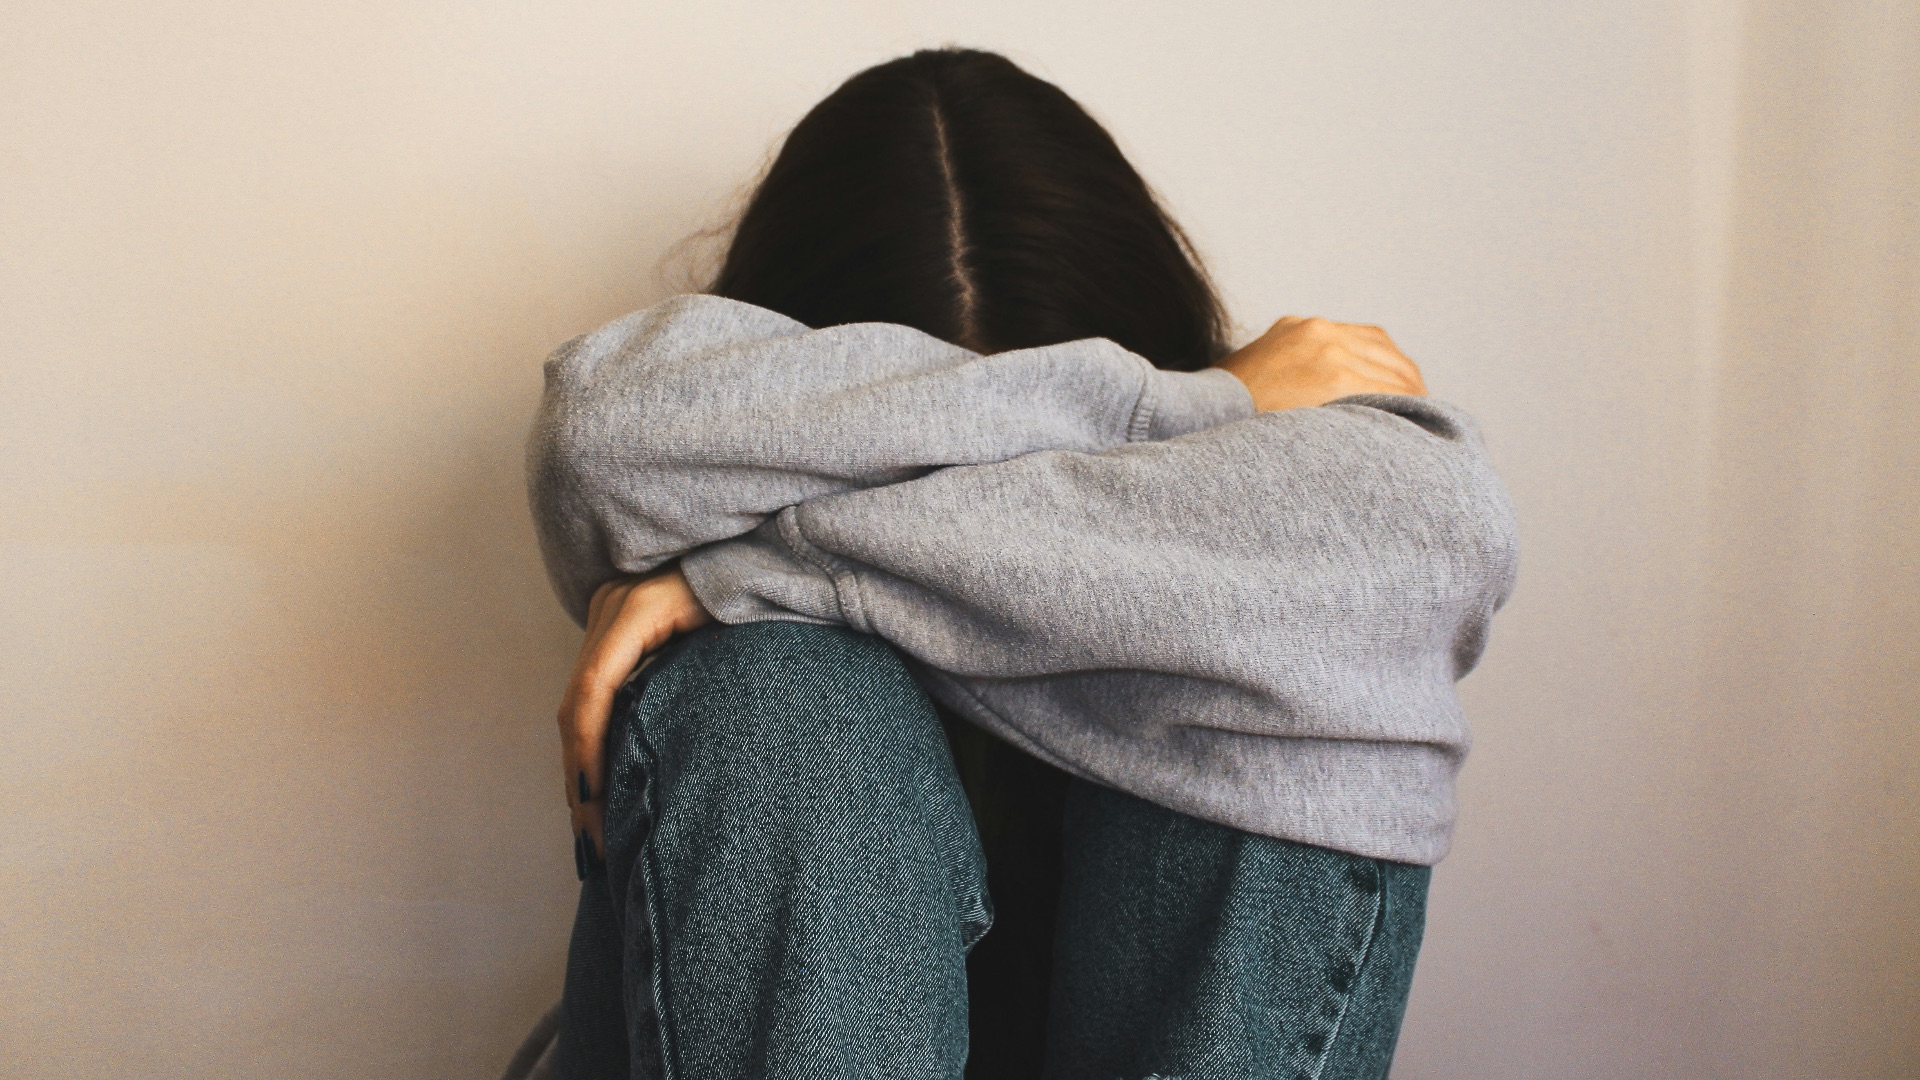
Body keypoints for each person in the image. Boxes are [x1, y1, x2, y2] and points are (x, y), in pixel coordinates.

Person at [520, 48, 1517, 1080]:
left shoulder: (743, 541)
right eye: (905, 447)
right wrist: (1180, 415)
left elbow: (1443, 530)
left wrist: (751, 561)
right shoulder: (1196, 417)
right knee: (772, 690)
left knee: (1281, 659)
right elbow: (598, 435)